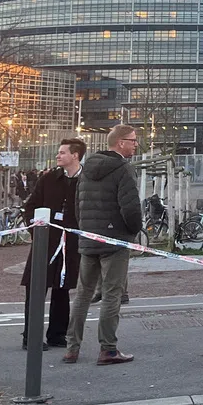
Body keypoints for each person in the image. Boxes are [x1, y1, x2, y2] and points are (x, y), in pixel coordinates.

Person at [63, 125, 142, 365]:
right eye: (133, 140)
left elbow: (78, 205)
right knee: (111, 294)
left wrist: (86, 230)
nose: (136, 144)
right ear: (120, 142)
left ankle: (72, 348)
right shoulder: (123, 169)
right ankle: (108, 349)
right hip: (114, 241)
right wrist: (132, 232)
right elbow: (130, 207)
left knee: (83, 294)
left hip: (89, 239)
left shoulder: (86, 170)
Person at [20, 138, 86, 350]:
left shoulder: (86, 181)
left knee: (62, 288)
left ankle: (57, 334)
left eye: (62, 152)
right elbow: (30, 206)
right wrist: (37, 232)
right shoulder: (48, 179)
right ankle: (31, 336)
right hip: (45, 243)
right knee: (36, 288)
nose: (58, 156)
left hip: (70, 244)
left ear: (75, 155)